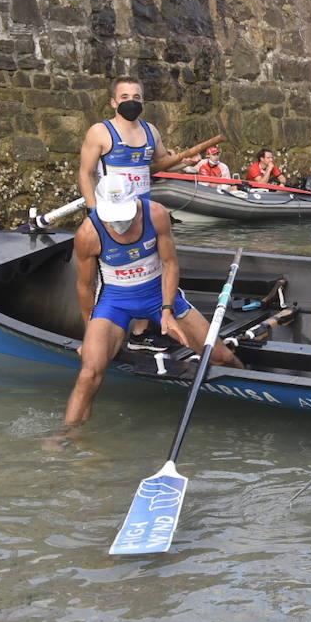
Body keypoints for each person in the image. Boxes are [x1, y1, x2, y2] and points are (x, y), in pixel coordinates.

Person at [57, 175, 243, 432]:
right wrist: (89, 333)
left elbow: (170, 264)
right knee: (89, 373)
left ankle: (248, 402)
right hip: (115, 303)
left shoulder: (156, 214)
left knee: (223, 358)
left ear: (135, 201)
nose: (119, 223)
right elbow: (85, 287)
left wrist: (167, 311)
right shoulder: (88, 234)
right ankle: (66, 437)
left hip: (159, 296)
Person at [78, 75, 182, 207]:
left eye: (136, 97)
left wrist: (187, 162)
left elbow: (164, 163)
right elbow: (85, 173)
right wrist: (93, 211)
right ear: (113, 102)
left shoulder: (151, 130)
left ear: (142, 101)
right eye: (124, 97)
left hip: (144, 209)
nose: (131, 102)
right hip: (112, 210)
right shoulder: (99, 132)